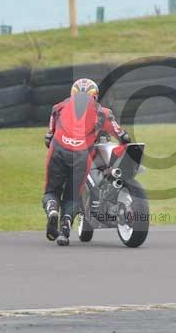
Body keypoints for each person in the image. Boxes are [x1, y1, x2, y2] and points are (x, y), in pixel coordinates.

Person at [42, 78, 131, 246]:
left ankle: (52, 210)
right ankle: (66, 229)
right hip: (81, 155)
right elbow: (122, 135)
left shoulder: (59, 107)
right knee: (73, 195)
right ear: (95, 96)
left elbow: (49, 137)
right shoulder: (102, 112)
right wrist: (124, 142)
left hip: (58, 151)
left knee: (51, 191)